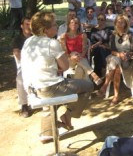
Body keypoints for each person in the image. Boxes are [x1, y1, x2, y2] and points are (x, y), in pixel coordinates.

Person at [21, 12, 97, 141]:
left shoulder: (28, 41)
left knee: (50, 96)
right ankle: (68, 115)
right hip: (48, 88)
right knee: (89, 86)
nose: (57, 27)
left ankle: (47, 132)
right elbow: (66, 66)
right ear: (45, 30)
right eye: (54, 25)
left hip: (31, 88)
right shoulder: (51, 43)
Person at [99, 14, 133, 105]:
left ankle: (105, 85)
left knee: (116, 64)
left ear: (126, 24)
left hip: (128, 59)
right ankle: (115, 96)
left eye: (122, 22)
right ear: (115, 23)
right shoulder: (113, 35)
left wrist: (126, 54)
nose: (120, 24)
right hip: (115, 57)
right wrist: (119, 54)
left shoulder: (131, 35)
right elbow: (112, 50)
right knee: (116, 64)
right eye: (118, 22)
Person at [60, 17, 102, 83]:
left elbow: (84, 50)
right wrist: (72, 56)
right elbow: (65, 52)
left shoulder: (83, 35)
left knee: (80, 70)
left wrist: (80, 56)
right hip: (69, 60)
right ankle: (92, 74)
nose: (74, 24)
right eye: (72, 22)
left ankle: (78, 90)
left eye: (76, 23)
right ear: (68, 25)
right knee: (73, 53)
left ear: (79, 25)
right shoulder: (63, 36)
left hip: (82, 58)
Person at [12, 17, 32, 118]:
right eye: (26, 24)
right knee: (20, 78)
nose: (29, 26)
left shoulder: (36, 37)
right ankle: (24, 105)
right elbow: (17, 54)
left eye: (30, 24)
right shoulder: (18, 39)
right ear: (22, 26)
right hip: (24, 65)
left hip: (37, 64)